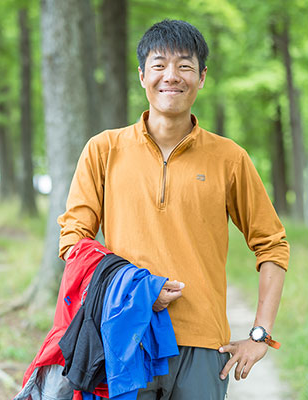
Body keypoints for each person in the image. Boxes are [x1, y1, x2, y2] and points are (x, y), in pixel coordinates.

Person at [57, 19, 289, 400]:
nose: (171, 76)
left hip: (203, 345)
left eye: (185, 66)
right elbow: (73, 241)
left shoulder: (229, 158)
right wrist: (138, 289)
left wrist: (259, 334)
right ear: (142, 74)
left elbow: (272, 244)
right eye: (159, 64)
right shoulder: (104, 150)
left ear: (202, 78)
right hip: (125, 339)